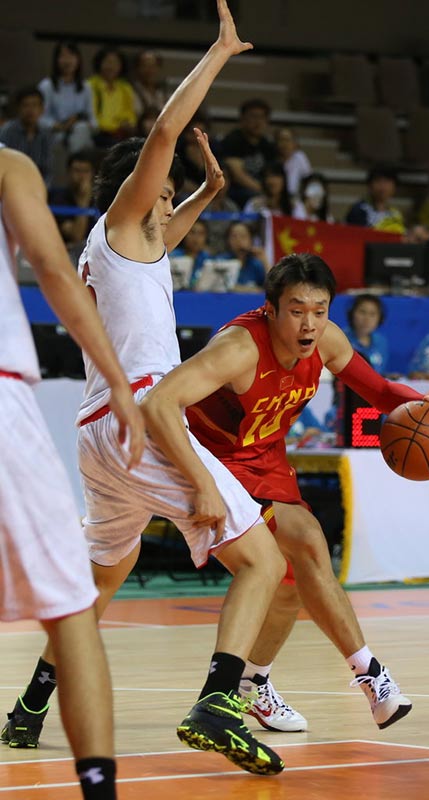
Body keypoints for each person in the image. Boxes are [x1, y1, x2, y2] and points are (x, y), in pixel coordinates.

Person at [4, 0, 286, 777]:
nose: (170, 210)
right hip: (142, 423)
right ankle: (219, 701)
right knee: (261, 561)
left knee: (101, 578)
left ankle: (31, 704)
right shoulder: (122, 226)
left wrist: (210, 189)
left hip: (101, 435)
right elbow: (162, 138)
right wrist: (221, 54)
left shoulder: (133, 249)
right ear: (139, 195)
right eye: (164, 197)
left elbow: (173, 223)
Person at [140, 252, 429, 734]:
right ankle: (371, 675)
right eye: (296, 310)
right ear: (271, 309)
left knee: (290, 586)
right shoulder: (239, 349)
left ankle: (252, 687)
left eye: (319, 309)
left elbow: (376, 392)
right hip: (213, 459)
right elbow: (159, 401)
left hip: (265, 459)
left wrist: (422, 404)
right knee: (310, 538)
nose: (310, 323)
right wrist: (202, 481)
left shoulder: (327, 341)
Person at [0, 145, 145, 798]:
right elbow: (51, 268)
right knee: (71, 606)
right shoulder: (7, 163)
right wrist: (116, 378)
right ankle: (96, 786)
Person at [38, 41, 97, 154]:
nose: (67, 61)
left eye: (71, 56)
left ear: (78, 59)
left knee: (81, 129)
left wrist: (83, 123)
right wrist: (61, 126)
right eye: (63, 56)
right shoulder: (47, 86)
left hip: (80, 133)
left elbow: (93, 120)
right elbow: (40, 119)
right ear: (56, 60)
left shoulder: (86, 87)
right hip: (55, 135)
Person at [220, 97, 277, 207]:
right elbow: (238, 175)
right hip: (237, 191)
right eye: (253, 116)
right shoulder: (233, 141)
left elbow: (273, 172)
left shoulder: (267, 145)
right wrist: (263, 190)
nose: (258, 122)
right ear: (243, 119)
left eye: (262, 117)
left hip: (261, 190)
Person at [0, 86, 53, 186]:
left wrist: (42, 189)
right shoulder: (7, 131)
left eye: (34, 105)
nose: (30, 110)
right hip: (10, 185)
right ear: (18, 108)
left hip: (37, 187)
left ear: (42, 109)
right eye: (25, 105)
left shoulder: (46, 133)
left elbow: (48, 170)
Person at [88, 46, 137, 148]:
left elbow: (130, 114)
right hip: (98, 133)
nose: (111, 66)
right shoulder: (91, 85)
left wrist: (128, 123)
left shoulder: (125, 87)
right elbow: (94, 117)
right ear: (99, 63)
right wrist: (115, 126)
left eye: (115, 63)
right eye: (108, 62)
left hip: (121, 133)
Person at [48, 150, 96, 251]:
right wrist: (83, 201)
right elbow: (76, 236)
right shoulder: (57, 199)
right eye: (77, 171)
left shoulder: (98, 199)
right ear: (68, 173)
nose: (82, 176)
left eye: (86, 171)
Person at [346, 164, 406, 234]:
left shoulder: (396, 214)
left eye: (387, 181)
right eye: (378, 181)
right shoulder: (359, 211)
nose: (382, 186)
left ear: (394, 187)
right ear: (369, 186)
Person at [216, 220, 269, 290]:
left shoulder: (256, 264)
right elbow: (221, 287)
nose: (238, 240)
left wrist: (265, 261)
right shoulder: (221, 261)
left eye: (243, 236)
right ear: (228, 240)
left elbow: (272, 288)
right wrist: (253, 290)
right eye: (234, 236)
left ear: (251, 240)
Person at [344, 294, 389, 375]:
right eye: (362, 312)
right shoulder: (340, 338)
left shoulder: (381, 342)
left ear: (380, 318)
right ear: (352, 313)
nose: (367, 319)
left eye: (372, 314)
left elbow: (379, 372)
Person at [170, 218, 212, 288]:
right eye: (192, 232)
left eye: (200, 234)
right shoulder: (173, 256)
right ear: (184, 234)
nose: (196, 238)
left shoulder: (208, 259)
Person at [274, 127, 312, 198]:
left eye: (287, 140)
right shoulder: (272, 159)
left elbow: (309, 180)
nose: (284, 144)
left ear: (294, 143)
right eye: (281, 140)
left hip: (296, 198)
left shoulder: (300, 157)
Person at [131, 50, 167, 117]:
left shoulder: (161, 92)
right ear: (137, 68)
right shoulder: (130, 91)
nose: (149, 70)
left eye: (153, 66)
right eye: (145, 65)